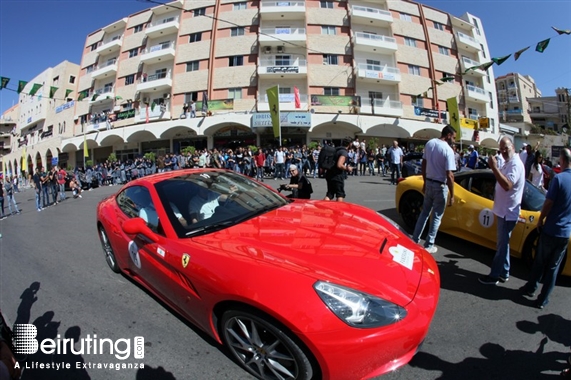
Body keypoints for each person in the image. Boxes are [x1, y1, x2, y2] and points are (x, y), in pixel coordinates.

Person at [519, 148, 571, 309]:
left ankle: (531, 288)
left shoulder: (559, 179)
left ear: (561, 160)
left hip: (552, 228)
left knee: (540, 261)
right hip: (565, 233)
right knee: (554, 267)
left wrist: (541, 220)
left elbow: (548, 203)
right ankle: (543, 299)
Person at [479, 137, 525, 285]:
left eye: (506, 147)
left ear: (512, 145)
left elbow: (507, 185)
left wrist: (494, 168)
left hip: (507, 212)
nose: (503, 151)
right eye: (501, 148)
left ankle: (494, 276)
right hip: (503, 211)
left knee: (501, 246)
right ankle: (504, 272)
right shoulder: (509, 163)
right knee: (503, 244)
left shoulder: (515, 164)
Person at [411, 125, 457, 254]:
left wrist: (425, 181)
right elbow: (450, 174)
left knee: (424, 213)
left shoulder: (430, 143)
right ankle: (429, 244)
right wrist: (452, 195)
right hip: (440, 185)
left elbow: (424, 164)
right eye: (453, 137)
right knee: (436, 216)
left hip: (430, 182)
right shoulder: (448, 150)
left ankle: (415, 239)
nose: (454, 140)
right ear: (448, 135)